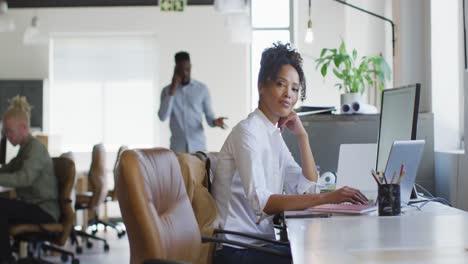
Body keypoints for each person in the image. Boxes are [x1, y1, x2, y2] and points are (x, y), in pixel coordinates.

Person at [212, 43, 368, 264]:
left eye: (295, 89)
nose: (288, 95)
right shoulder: (248, 134)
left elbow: (307, 185)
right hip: (236, 249)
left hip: (258, 243)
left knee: (328, 250)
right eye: (280, 84)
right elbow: (263, 203)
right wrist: (328, 197)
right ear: (261, 87)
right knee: (322, 256)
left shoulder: (271, 134)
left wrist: (302, 136)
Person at [0, 96, 59, 263]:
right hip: (34, 206)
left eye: (9, 130)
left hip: (44, 210)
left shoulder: (35, 149)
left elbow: (24, 178)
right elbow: (8, 169)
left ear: (24, 128)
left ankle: (5, 259)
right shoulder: (24, 150)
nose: (7, 135)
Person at [158, 51, 227, 152]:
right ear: (176, 69)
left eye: (187, 69)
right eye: (181, 70)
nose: (185, 73)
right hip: (177, 149)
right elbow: (162, 116)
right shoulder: (167, 91)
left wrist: (215, 122)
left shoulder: (202, 89)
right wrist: (172, 89)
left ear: (191, 67)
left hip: (198, 147)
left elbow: (209, 117)